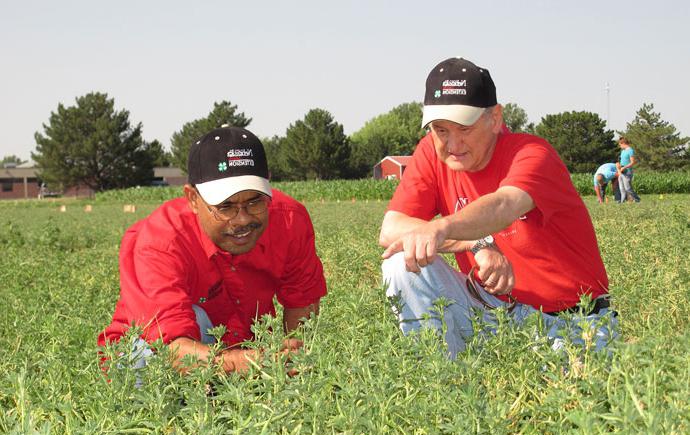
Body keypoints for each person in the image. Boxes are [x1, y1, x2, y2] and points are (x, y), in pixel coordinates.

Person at [379, 57, 617, 358]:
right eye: (440, 130)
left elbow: (504, 205)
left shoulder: (532, 154)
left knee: (571, 400)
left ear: (495, 118)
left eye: (463, 128)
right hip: (490, 310)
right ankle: (442, 383)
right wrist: (477, 243)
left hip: (569, 323)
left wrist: (440, 228)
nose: (452, 144)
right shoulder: (431, 152)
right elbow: (391, 228)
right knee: (402, 263)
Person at [99, 126, 327, 375]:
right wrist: (257, 364)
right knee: (150, 355)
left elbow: (302, 303)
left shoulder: (288, 220)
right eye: (225, 206)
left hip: (243, 351)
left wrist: (296, 363)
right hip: (156, 352)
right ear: (193, 199)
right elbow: (172, 350)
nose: (242, 220)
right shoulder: (161, 240)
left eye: (255, 202)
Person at [618, 137, 641, 202]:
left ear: (624, 143)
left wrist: (624, 167)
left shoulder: (630, 150)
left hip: (627, 172)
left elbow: (632, 162)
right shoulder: (623, 151)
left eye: (620, 145)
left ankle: (637, 199)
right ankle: (622, 201)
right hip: (621, 171)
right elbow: (622, 161)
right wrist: (619, 167)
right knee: (622, 189)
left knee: (628, 188)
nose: (620, 146)